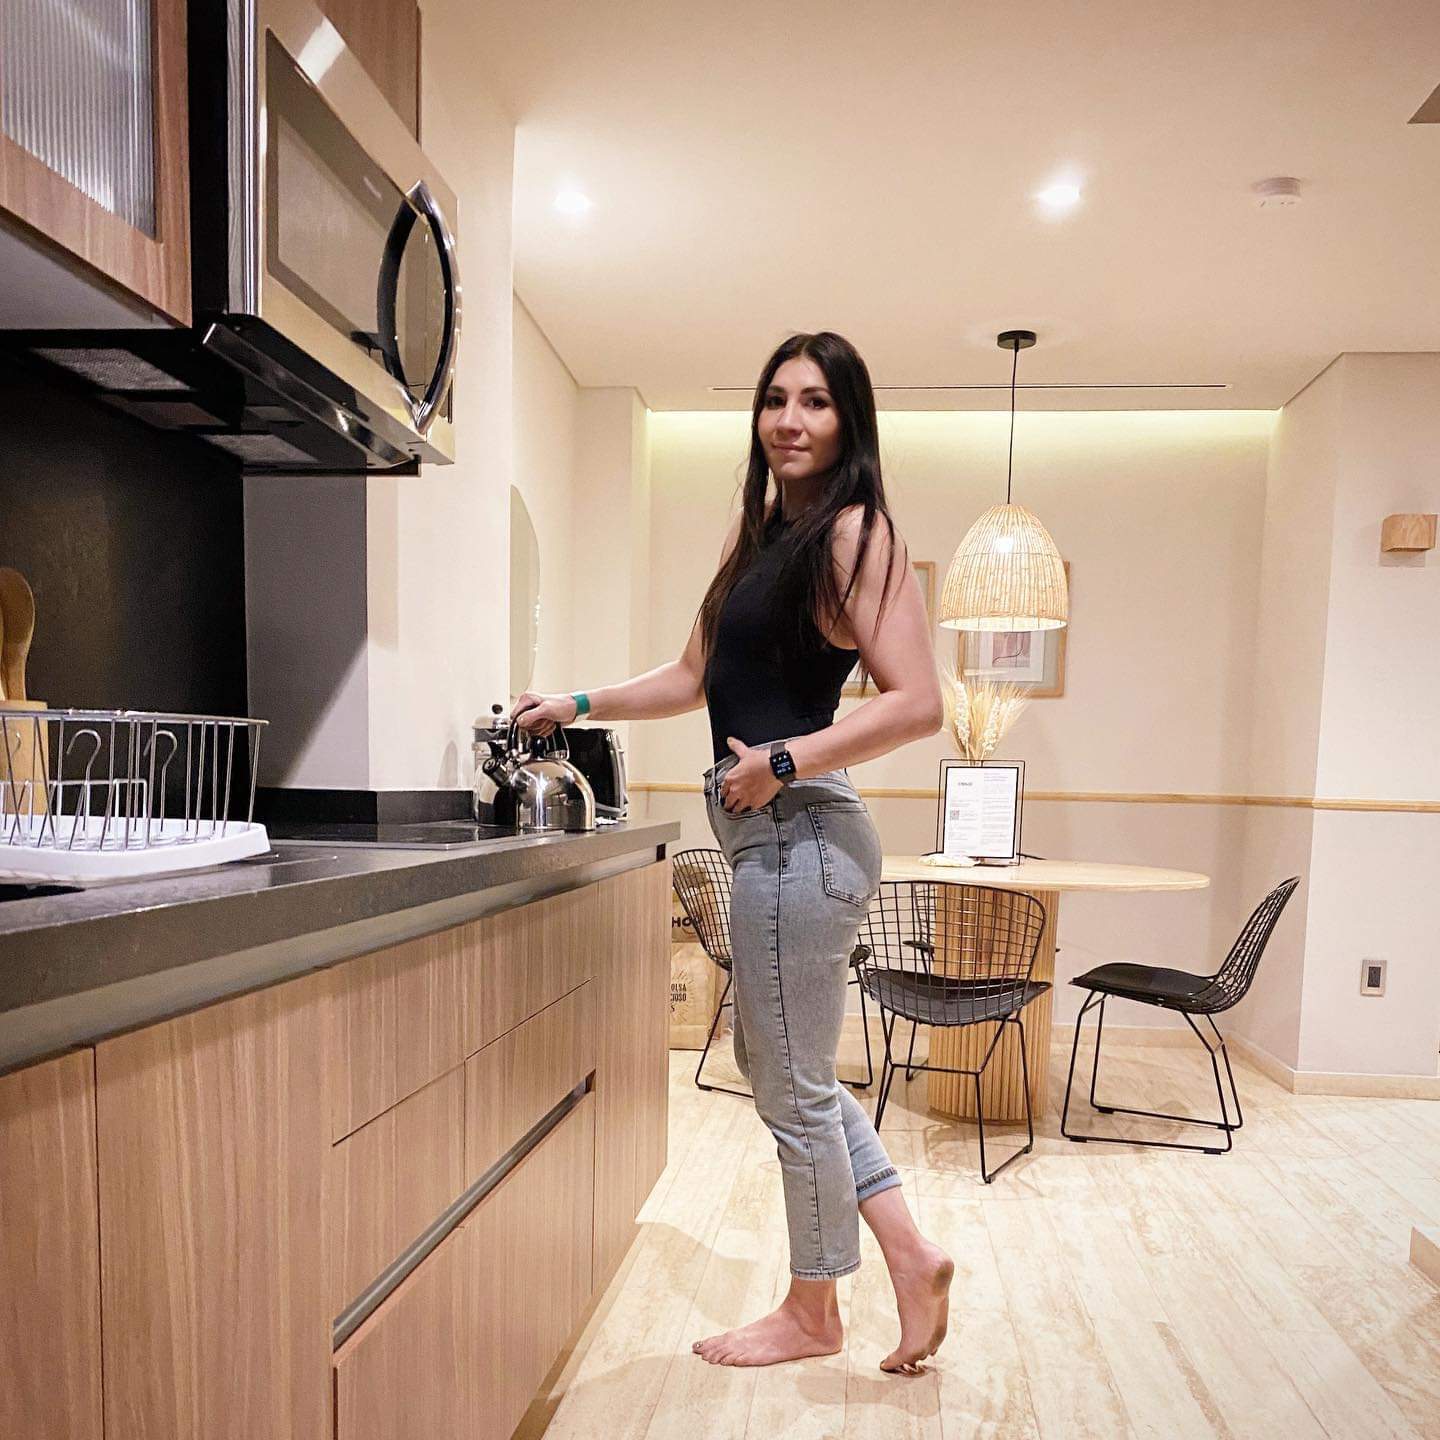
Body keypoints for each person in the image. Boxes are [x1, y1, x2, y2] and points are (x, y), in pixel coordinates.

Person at [511, 331, 952, 1372]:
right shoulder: (763, 540)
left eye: (816, 402)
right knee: (778, 1065)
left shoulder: (856, 532)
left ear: (849, 421)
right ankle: (909, 1253)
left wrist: (786, 761)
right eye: (776, 399)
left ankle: (814, 1310)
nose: (790, 420)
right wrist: (574, 703)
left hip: (800, 833)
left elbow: (918, 702)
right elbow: (688, 677)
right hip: (768, 833)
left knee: (790, 1081)